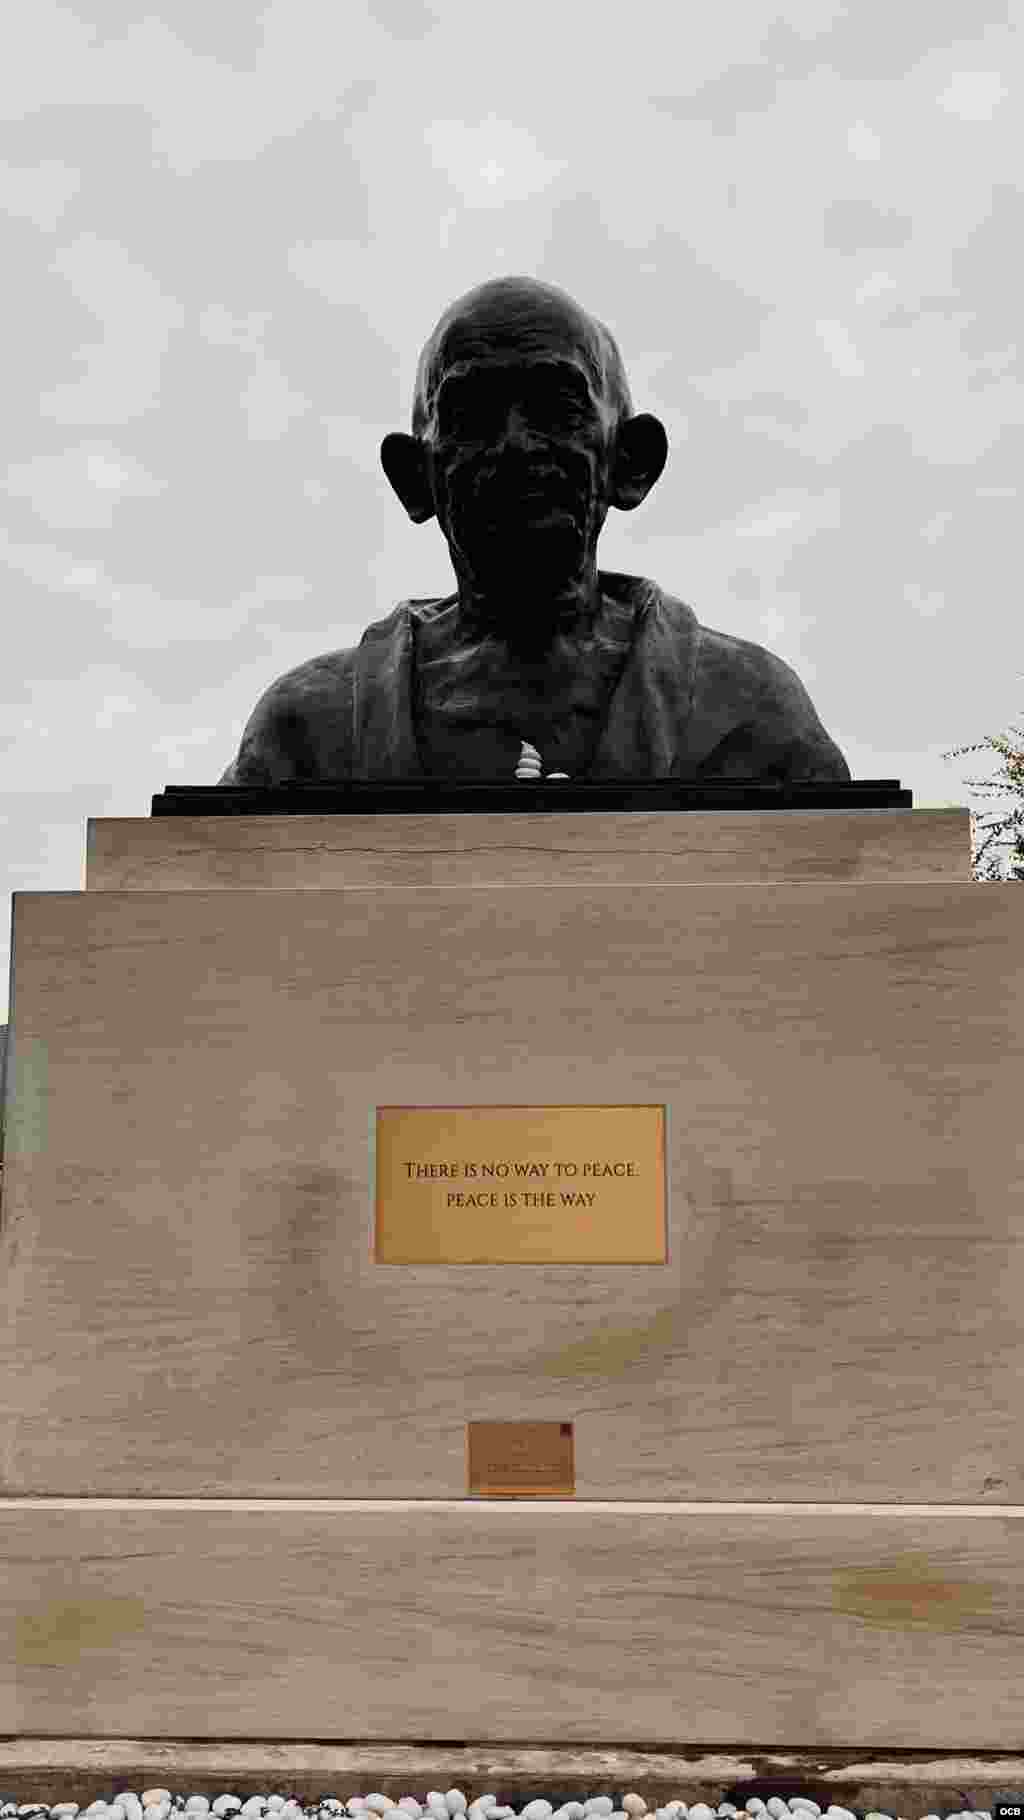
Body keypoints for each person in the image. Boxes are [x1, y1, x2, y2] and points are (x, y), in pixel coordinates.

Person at [219, 275, 850, 785]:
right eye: (471, 414)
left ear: (630, 462)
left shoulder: (748, 713)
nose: (516, 444)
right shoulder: (310, 730)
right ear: (416, 478)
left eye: (557, 406)